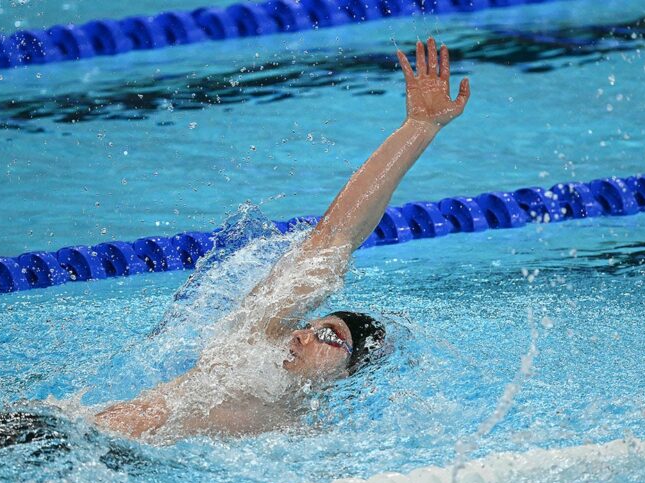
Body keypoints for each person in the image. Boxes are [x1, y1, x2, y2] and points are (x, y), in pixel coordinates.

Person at [94, 37, 470, 439]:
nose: (302, 333)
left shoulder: (299, 430)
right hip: (67, 435)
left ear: (348, 377)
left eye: (329, 336)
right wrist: (418, 128)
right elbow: (334, 238)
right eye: (312, 325)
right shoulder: (251, 345)